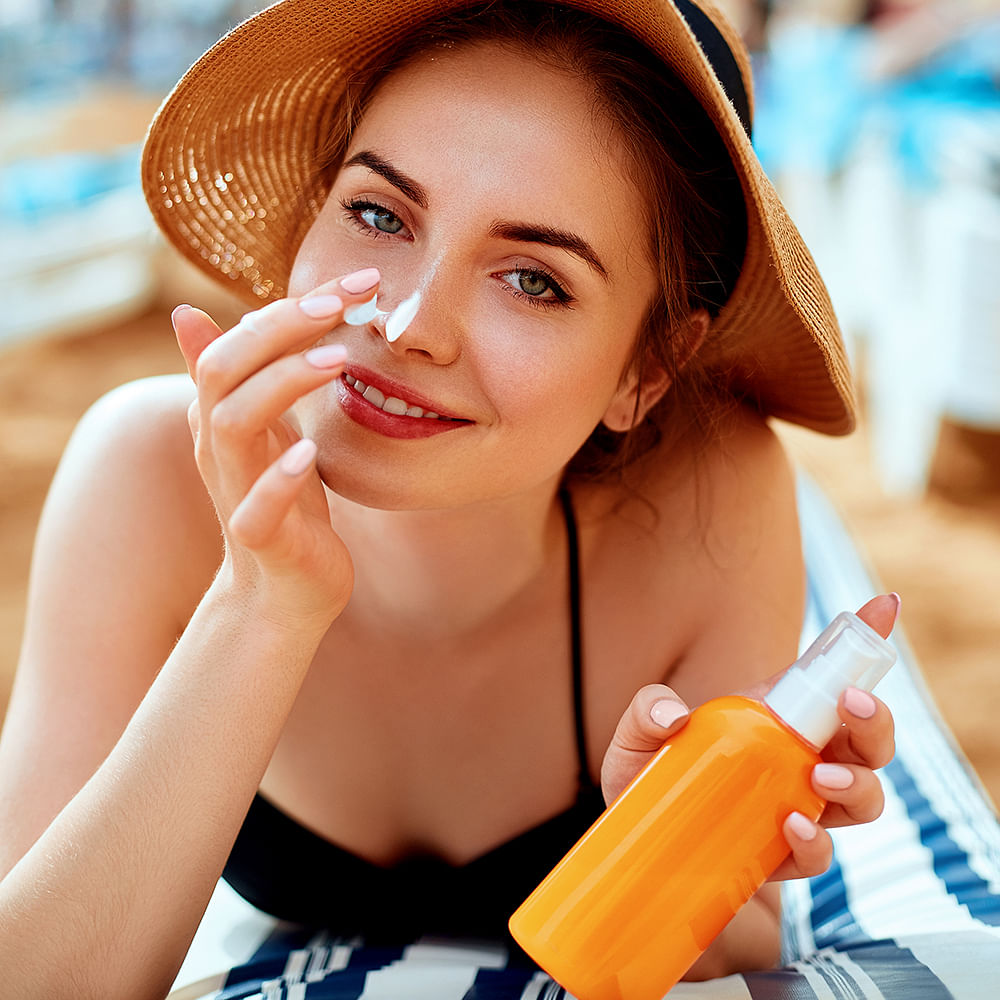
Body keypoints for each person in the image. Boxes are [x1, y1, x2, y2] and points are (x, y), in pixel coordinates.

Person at [0, 1, 898, 996]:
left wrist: (661, 858)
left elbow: (735, 942)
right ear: (311, 214)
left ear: (646, 368)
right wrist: (261, 606)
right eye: (378, 214)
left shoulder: (710, 499)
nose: (411, 323)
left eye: (532, 280)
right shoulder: (144, 472)